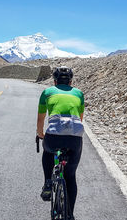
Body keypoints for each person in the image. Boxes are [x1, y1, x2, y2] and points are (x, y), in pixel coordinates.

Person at [37, 66, 84, 220]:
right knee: (70, 176)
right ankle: (70, 214)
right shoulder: (79, 94)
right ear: (71, 81)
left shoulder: (47, 92)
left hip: (54, 136)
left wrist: (40, 134)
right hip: (75, 138)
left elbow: (41, 118)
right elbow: (80, 118)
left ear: (55, 80)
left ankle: (48, 183)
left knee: (48, 150)